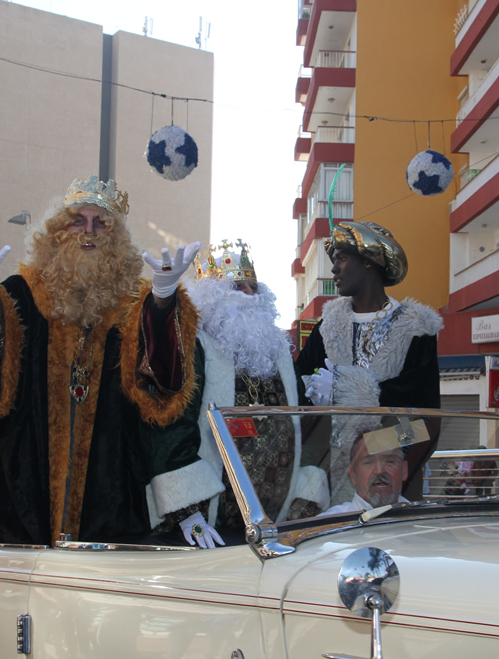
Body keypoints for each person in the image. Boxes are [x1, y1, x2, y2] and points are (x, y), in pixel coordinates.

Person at [0, 175, 223, 546]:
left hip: (113, 500)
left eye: (101, 223)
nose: (88, 232)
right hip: (25, 497)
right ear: (57, 230)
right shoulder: (21, 296)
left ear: (116, 236)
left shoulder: (136, 301)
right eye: (78, 220)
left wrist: (162, 303)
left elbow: (162, 395)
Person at [296, 221, 442, 505]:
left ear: (369, 262)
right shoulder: (326, 329)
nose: (334, 269)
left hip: (392, 487)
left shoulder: (415, 330)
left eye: (342, 258)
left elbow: (426, 423)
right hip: (328, 489)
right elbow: (300, 396)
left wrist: (367, 453)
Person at [187, 241, 328, 530]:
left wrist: (320, 404)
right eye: (239, 287)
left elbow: (300, 425)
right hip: (212, 509)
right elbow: (178, 427)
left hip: (275, 509)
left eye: (253, 287)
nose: (250, 296)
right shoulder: (196, 346)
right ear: (211, 297)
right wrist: (187, 508)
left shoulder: (278, 351)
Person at [323, 433, 409, 514]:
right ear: (353, 474)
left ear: (404, 470)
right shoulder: (331, 525)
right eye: (368, 462)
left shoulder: (420, 519)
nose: (379, 471)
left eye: (389, 462)